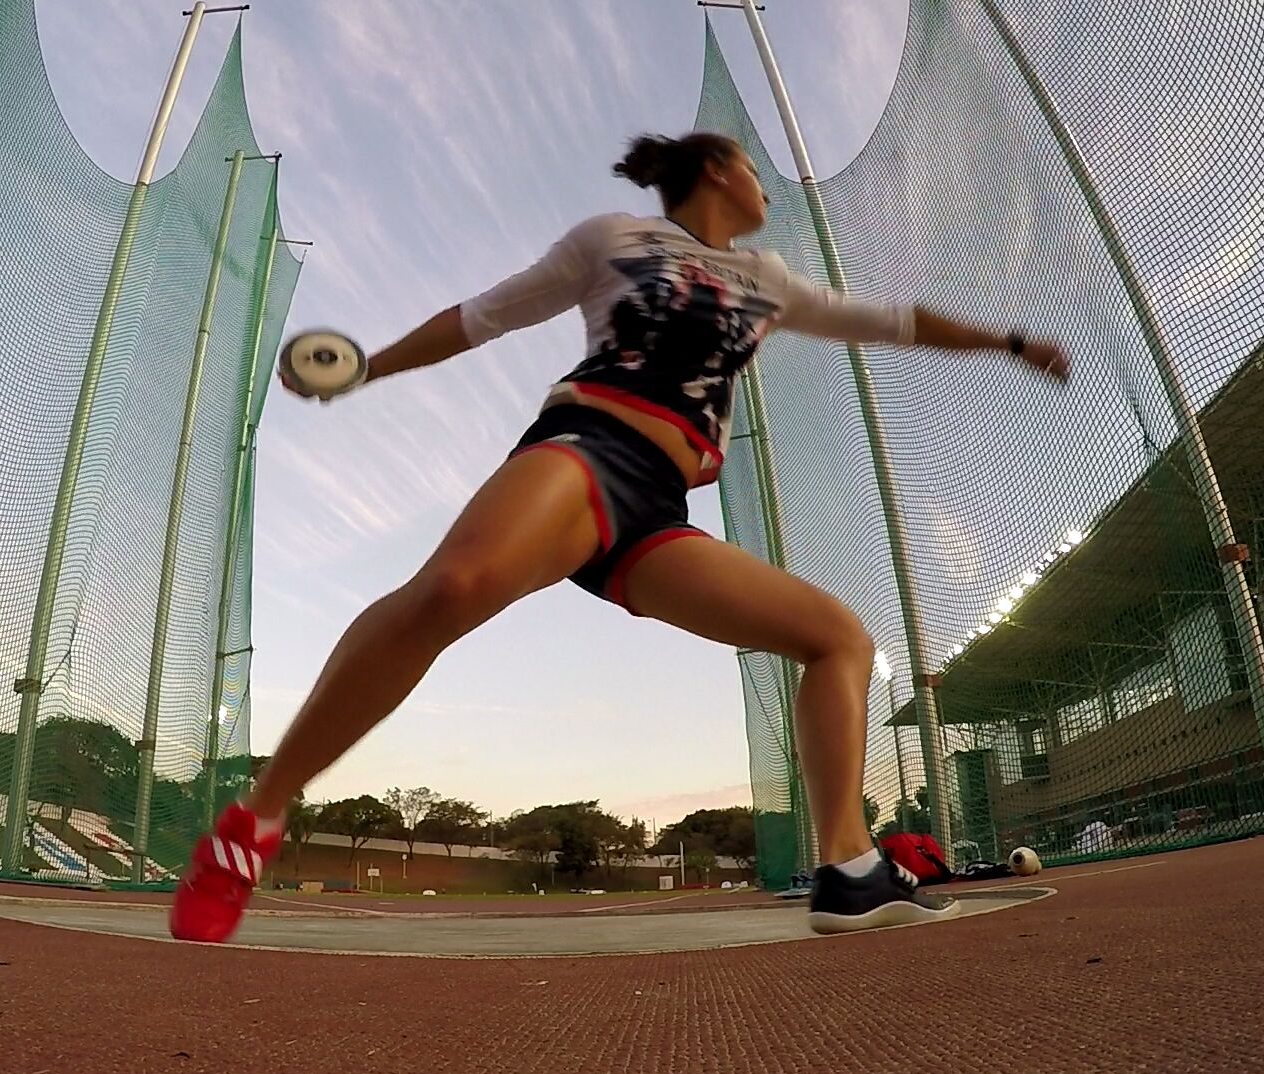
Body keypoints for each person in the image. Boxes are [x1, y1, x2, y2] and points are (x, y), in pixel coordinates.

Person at [169, 131, 1068, 942]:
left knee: (839, 639)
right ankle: (257, 820)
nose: (763, 186)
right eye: (751, 168)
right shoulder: (614, 237)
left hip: (658, 514)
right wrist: (370, 366)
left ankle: (850, 867)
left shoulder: (768, 278)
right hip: (588, 449)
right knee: (453, 589)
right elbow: (483, 315)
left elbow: (892, 321)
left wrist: (1007, 340)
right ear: (716, 170)